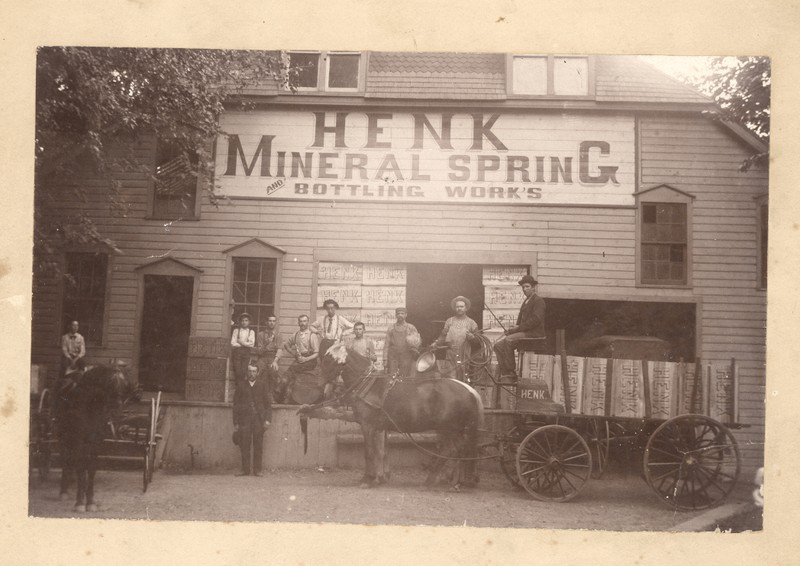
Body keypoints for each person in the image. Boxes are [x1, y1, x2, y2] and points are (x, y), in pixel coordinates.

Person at [493, 275, 546, 381]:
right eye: (523, 287)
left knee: (508, 340)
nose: (524, 289)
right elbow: (521, 321)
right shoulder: (527, 301)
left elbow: (536, 320)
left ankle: (511, 371)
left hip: (534, 334)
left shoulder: (538, 301)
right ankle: (505, 371)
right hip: (525, 332)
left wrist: (516, 329)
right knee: (497, 346)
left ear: (533, 287)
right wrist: (511, 330)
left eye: (527, 286)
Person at [232, 364, 272, 476]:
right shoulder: (241, 385)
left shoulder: (262, 385)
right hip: (244, 419)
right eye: (249, 371)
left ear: (257, 372)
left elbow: (268, 405)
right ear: (246, 372)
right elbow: (236, 405)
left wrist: (268, 420)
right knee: (244, 444)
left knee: (258, 445)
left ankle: (257, 470)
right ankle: (245, 470)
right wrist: (236, 422)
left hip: (258, 419)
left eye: (254, 371)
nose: (251, 374)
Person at [432, 296, 479, 379]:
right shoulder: (449, 321)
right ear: (455, 308)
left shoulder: (471, 323)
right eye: (457, 307)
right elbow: (443, 336)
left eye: (461, 306)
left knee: (463, 376)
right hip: (450, 353)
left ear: (466, 308)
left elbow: (478, 342)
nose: (459, 308)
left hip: (464, 353)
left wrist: (472, 338)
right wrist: (436, 343)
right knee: (451, 376)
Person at [279, 314, 321, 403]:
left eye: (305, 321)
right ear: (298, 323)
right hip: (299, 359)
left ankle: (281, 390)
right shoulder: (295, 335)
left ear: (308, 322)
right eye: (301, 321)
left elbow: (316, 354)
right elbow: (286, 345)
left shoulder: (312, 335)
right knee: (290, 373)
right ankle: (285, 393)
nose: (303, 323)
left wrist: (306, 359)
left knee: (292, 370)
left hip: (310, 360)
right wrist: (294, 353)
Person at [383, 307, 420, 377]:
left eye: (402, 313)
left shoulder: (411, 327)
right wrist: (385, 359)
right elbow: (386, 345)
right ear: (396, 315)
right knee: (392, 377)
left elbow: (417, 342)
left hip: (406, 357)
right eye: (398, 314)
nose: (400, 315)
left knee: (405, 378)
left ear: (406, 315)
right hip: (393, 357)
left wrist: (414, 349)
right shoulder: (391, 328)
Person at [255, 315, 283, 400]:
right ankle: (258, 396)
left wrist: (275, 361)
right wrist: (266, 343)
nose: (272, 323)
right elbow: (259, 351)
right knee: (257, 372)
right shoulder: (261, 335)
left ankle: (271, 396)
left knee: (273, 372)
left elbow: (279, 349)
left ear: (276, 323)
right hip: (263, 357)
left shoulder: (278, 335)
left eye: (274, 321)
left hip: (273, 357)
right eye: (270, 321)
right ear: (266, 322)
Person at [230, 313, 255, 382]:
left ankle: (241, 388)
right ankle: (238, 387)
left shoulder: (251, 332)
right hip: (237, 353)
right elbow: (233, 343)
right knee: (237, 372)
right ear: (240, 322)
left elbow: (251, 344)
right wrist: (245, 344)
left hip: (246, 353)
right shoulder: (236, 331)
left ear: (249, 322)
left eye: (246, 320)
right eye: (242, 320)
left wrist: (240, 342)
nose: (244, 322)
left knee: (244, 371)